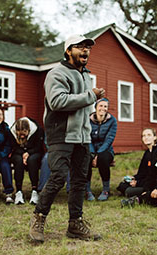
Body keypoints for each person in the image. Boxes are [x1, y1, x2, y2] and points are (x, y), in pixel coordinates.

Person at [29, 34, 105, 243]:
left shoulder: (85, 75)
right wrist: (92, 95)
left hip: (82, 136)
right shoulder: (57, 73)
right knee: (58, 178)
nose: (85, 51)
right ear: (68, 51)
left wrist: (91, 98)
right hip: (61, 135)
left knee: (80, 181)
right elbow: (57, 101)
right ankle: (39, 218)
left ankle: (75, 224)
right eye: (80, 47)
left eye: (88, 48)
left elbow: (81, 107)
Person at [86, 98, 117, 201]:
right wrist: (92, 153)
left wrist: (98, 154)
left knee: (103, 159)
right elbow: (87, 138)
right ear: (95, 107)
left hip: (106, 149)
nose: (103, 108)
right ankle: (87, 190)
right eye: (101, 106)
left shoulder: (112, 121)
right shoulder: (88, 120)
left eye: (105, 106)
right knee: (85, 159)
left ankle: (106, 190)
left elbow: (109, 140)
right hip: (90, 148)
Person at [117, 128, 157, 198]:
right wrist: (134, 178)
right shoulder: (147, 152)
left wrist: (138, 183)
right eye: (144, 135)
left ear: (154, 137)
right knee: (122, 185)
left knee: (128, 191)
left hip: (152, 184)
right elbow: (142, 172)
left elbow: (154, 176)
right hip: (144, 181)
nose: (146, 137)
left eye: (149, 135)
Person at [10, 117, 44, 205]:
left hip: (35, 152)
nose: (22, 135)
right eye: (19, 133)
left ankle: (34, 190)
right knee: (18, 161)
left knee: (32, 160)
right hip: (18, 153)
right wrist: (23, 154)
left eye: (24, 132)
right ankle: (18, 191)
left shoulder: (38, 130)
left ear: (28, 130)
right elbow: (13, 147)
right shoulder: (11, 132)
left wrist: (28, 153)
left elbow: (39, 146)